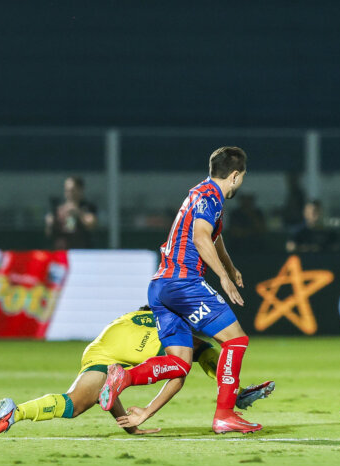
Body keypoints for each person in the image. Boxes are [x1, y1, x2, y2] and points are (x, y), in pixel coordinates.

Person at [99, 147, 264, 435]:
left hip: (160, 287)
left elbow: (214, 236)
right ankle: (225, 415)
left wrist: (229, 266)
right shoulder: (211, 197)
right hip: (183, 283)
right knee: (236, 340)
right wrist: (223, 277)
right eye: (243, 176)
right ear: (235, 176)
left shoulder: (201, 193)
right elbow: (201, 237)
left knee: (179, 364)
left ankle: (124, 377)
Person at [0, 306, 275, 438]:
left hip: (99, 351)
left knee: (73, 405)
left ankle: (14, 413)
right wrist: (145, 413)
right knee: (192, 357)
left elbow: (108, 388)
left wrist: (128, 425)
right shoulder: (168, 320)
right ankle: (234, 394)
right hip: (126, 347)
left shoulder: (132, 317)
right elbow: (177, 379)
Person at [45, 176, 98, 249]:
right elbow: (49, 233)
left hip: (82, 251)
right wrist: (50, 223)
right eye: (67, 190)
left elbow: (91, 225)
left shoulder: (88, 207)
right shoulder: (58, 209)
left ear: (80, 190)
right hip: (62, 252)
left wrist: (78, 213)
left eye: (72, 190)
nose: (69, 193)